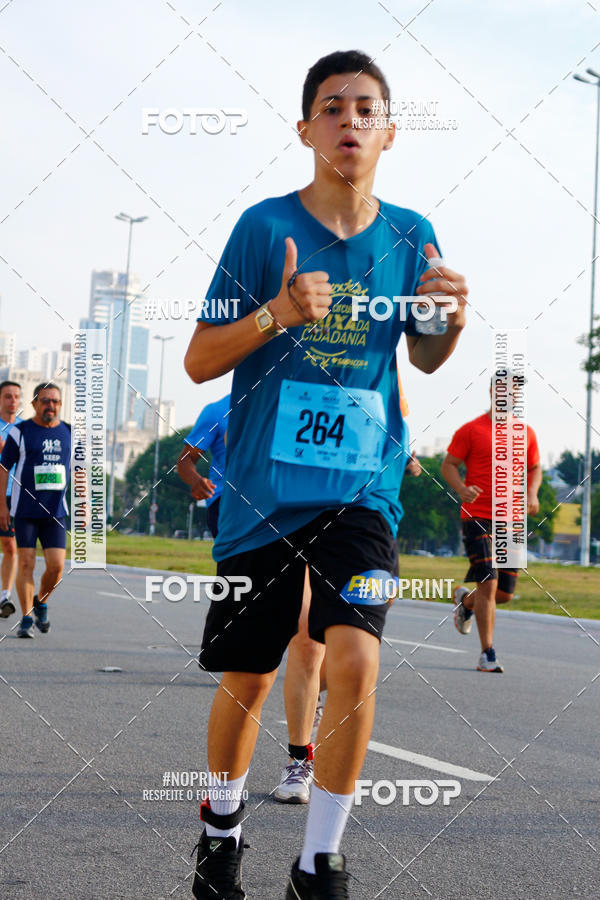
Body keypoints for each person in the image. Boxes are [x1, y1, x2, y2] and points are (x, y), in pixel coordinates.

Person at [184, 49, 468, 899]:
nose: (351, 121)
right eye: (333, 108)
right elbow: (200, 360)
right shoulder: (264, 229)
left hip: (363, 488)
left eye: (367, 108)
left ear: (389, 130)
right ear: (306, 128)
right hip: (265, 494)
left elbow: (420, 354)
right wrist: (276, 313)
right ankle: (222, 828)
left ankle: (318, 860)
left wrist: (449, 319)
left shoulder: (413, 235)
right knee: (254, 674)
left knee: (356, 659)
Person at [441, 376, 541, 673]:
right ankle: (488, 654)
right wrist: (461, 488)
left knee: (505, 594)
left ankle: (466, 602)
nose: (510, 396)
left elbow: (535, 468)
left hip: (511, 520)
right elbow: (448, 465)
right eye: (505, 390)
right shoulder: (471, 430)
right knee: (489, 583)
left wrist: (532, 493)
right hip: (477, 516)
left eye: (515, 392)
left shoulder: (527, 432)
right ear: (492, 392)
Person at [0, 383, 71, 639]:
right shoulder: (20, 432)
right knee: (27, 563)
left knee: (56, 567)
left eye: (54, 401)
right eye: (44, 401)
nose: (50, 406)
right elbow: (3, 468)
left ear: (60, 405)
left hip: (55, 513)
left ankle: (40, 601)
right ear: (34, 404)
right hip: (25, 510)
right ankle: (26, 617)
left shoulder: (70, 433)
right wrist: (2, 506)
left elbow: (82, 471)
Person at [177, 394, 230, 538]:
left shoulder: (287, 404)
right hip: (225, 503)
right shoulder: (217, 411)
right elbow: (186, 459)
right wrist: (196, 481)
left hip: (277, 502)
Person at [0, 381, 23, 618]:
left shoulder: (25, 429)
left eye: (16, 396)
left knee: (10, 546)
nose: (12, 401)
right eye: (7, 396)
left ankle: (4, 596)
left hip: (13, 495)